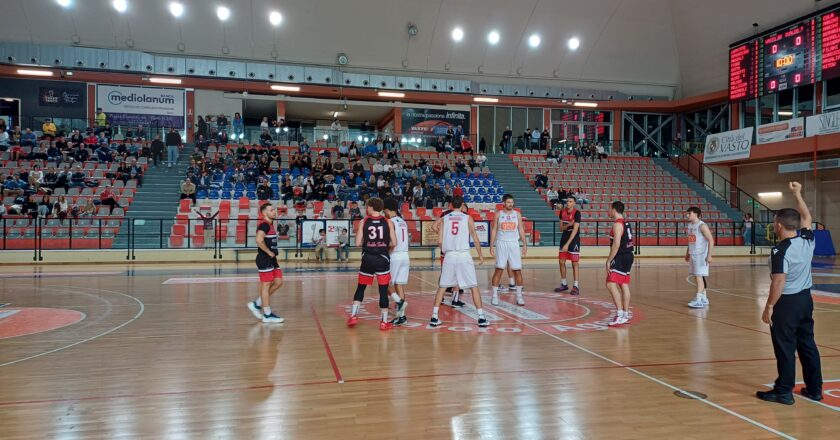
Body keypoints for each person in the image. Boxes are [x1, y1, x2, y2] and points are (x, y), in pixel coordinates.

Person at [756, 182, 823, 405]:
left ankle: (784, 391)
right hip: (805, 300)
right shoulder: (807, 239)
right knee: (807, 344)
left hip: (787, 303)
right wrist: (797, 194)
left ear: (779, 225)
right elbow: (807, 217)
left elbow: (779, 280)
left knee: (785, 346)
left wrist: (769, 306)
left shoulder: (780, 250)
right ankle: (815, 389)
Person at [429, 197, 487, 327]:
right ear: (461, 205)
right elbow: (475, 237)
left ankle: (434, 316)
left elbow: (434, 227)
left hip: (449, 255)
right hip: (463, 255)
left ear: (450, 205)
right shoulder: (467, 218)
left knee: (442, 287)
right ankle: (481, 317)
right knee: (473, 286)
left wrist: (444, 236)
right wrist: (480, 255)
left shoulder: (445, 218)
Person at [346, 198, 397, 331]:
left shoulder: (364, 221)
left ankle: (353, 315)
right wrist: (383, 246)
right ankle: (384, 322)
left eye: (367, 206)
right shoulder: (388, 222)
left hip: (367, 258)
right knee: (383, 291)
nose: (366, 208)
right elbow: (394, 243)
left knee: (361, 288)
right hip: (382, 259)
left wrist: (369, 244)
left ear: (371, 207)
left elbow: (357, 243)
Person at [246, 203, 285, 323]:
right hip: (265, 258)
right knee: (266, 285)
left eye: (274, 210)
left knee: (278, 282)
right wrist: (268, 251)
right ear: (264, 213)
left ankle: (257, 303)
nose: (274, 212)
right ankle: (267, 315)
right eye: (271, 210)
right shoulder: (264, 225)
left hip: (272, 259)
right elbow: (259, 240)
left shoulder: (270, 224)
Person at [489, 194, 527, 306]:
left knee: (517, 270)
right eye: (509, 202)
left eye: (512, 202)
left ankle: (519, 297)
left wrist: (525, 244)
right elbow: (494, 230)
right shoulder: (498, 214)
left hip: (514, 244)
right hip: (501, 243)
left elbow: (521, 229)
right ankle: (495, 296)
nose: (511, 204)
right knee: (499, 270)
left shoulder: (517, 214)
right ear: (504, 203)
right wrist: (492, 245)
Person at [606, 201, 634, 326]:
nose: (609, 211)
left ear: (614, 210)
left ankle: (620, 314)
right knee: (623, 284)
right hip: (628, 255)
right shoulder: (626, 222)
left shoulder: (617, 224)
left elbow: (616, 244)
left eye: (610, 209)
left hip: (621, 256)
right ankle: (625, 314)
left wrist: (608, 260)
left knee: (610, 284)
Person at [383, 198, 410, 326]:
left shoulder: (390, 222)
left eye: (385, 211)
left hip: (395, 255)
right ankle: (401, 316)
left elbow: (392, 243)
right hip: (405, 255)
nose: (384, 213)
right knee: (399, 285)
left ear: (388, 210)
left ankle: (399, 302)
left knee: (385, 283)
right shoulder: (403, 221)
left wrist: (386, 253)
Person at [685, 207, 715, 309]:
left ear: (696, 214)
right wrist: (687, 252)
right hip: (693, 254)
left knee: (699, 278)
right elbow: (691, 240)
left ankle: (698, 300)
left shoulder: (702, 226)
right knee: (697, 277)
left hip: (701, 255)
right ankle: (703, 298)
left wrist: (709, 255)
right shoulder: (690, 225)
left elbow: (711, 240)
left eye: (689, 213)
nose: (687, 215)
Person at [555, 198, 582, 295]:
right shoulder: (562, 212)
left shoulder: (577, 213)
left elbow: (575, 230)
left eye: (570, 201)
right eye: (567, 201)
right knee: (561, 261)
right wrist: (568, 225)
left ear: (574, 203)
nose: (568, 203)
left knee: (574, 263)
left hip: (574, 238)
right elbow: (561, 229)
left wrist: (567, 244)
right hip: (564, 236)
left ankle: (576, 286)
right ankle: (564, 284)